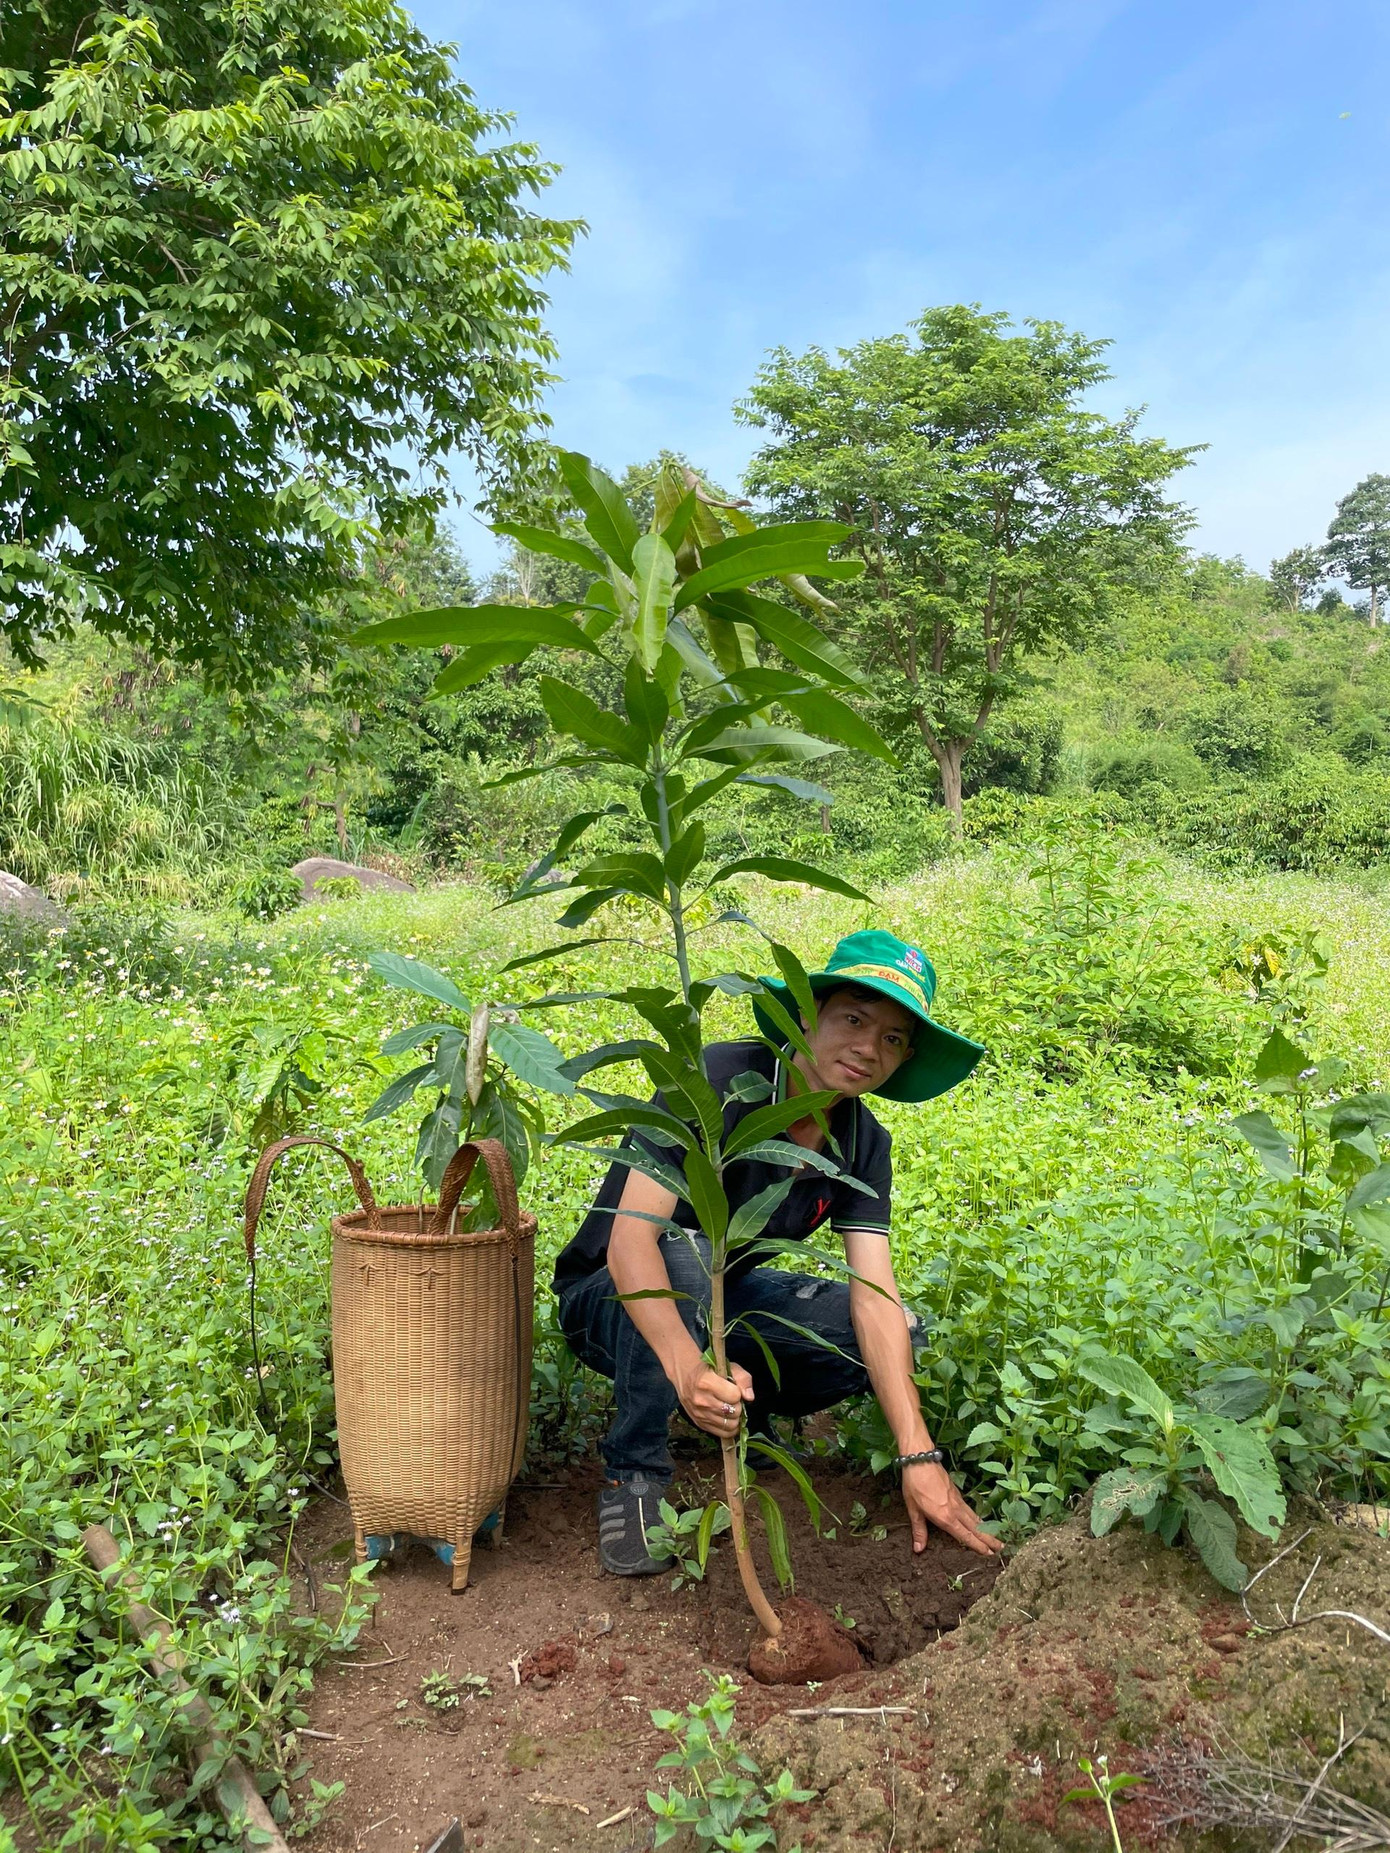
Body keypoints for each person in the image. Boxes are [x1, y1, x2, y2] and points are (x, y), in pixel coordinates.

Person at [553, 929, 1005, 1577]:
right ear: (803, 1014)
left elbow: (875, 1294)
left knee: (897, 1329)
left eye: (893, 1038)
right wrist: (686, 1367)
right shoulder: (713, 1082)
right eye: (854, 1018)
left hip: (723, 1302)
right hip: (608, 1299)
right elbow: (630, 1242)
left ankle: (742, 1403)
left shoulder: (862, 1141)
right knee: (684, 1250)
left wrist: (918, 1454)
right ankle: (636, 1474)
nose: (868, 1047)